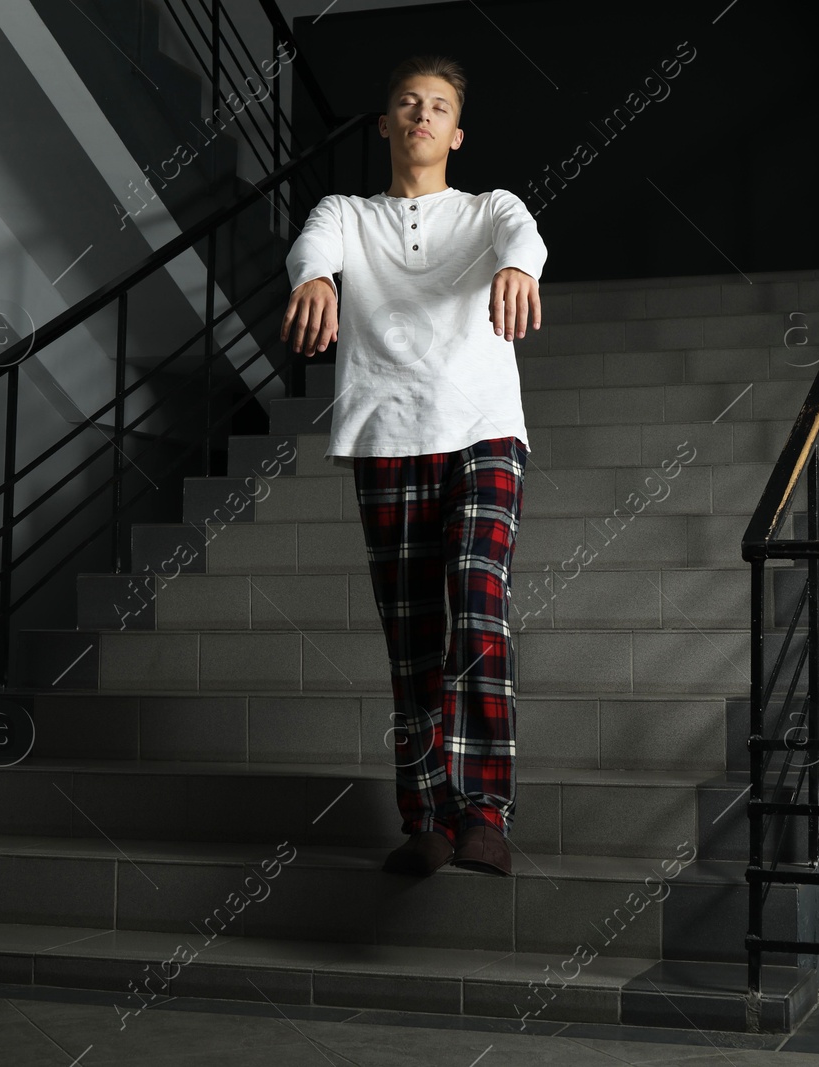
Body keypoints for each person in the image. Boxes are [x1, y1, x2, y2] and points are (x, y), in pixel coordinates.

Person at [279, 55, 545, 877]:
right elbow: (313, 242)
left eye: (437, 106)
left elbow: (522, 234)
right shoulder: (346, 212)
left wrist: (515, 267)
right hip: (387, 432)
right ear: (388, 125)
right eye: (406, 103)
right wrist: (316, 276)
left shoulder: (486, 207)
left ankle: (486, 811)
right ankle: (426, 817)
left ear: (456, 133)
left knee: (477, 604)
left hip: (483, 430)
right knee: (413, 641)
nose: (421, 115)